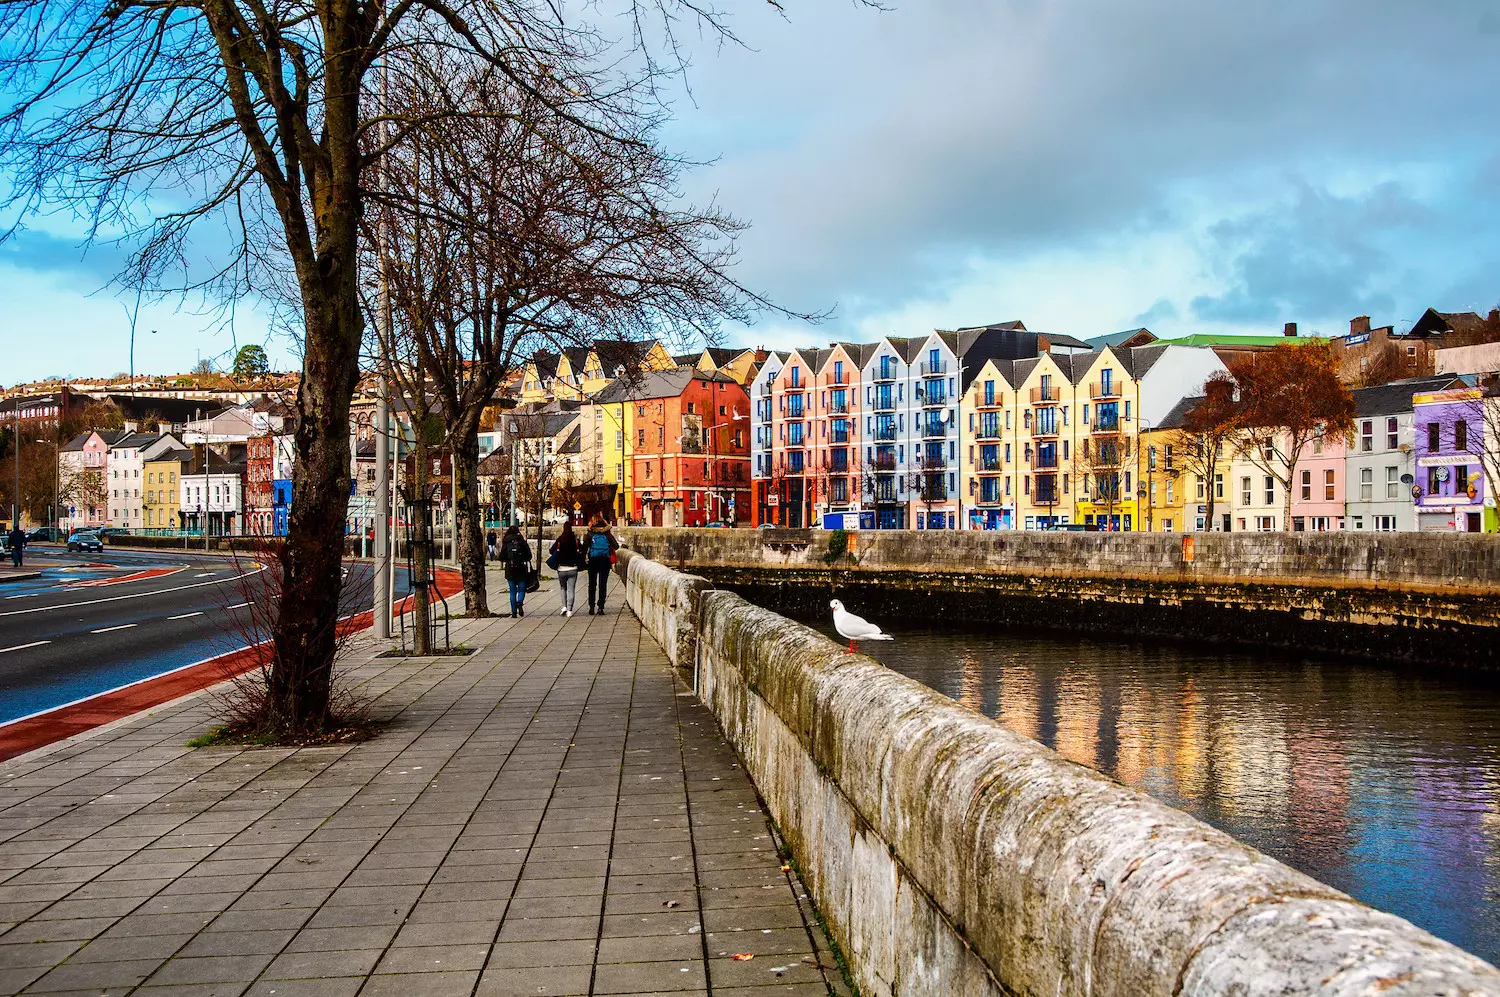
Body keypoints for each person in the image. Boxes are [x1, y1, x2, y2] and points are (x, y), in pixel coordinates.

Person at [584, 516, 618, 615]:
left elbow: (584, 547)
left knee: (592, 584)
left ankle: (591, 607)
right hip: (605, 560)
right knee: (603, 584)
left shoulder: (590, 533)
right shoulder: (607, 533)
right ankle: (601, 607)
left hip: (593, 560)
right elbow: (616, 546)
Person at [550, 522, 582, 617]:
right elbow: (582, 549)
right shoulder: (575, 540)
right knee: (571, 589)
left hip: (561, 568)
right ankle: (569, 610)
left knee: (563, 588)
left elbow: (551, 551)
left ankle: (564, 606)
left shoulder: (560, 539)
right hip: (573, 568)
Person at [500, 524, 531, 618]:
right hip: (521, 568)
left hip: (510, 569)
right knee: (522, 589)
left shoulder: (506, 542)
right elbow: (529, 555)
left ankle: (513, 612)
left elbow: (501, 557)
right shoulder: (521, 541)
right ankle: (520, 602)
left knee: (512, 591)